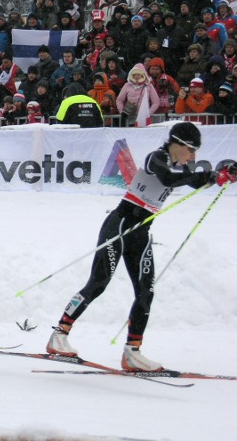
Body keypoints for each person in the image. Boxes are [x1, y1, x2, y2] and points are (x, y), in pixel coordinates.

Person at [46, 123, 236, 371]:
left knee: (146, 291)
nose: (193, 156)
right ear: (176, 143)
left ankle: (132, 352)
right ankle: (59, 334)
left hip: (141, 233)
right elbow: (168, 178)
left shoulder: (182, 167)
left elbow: (189, 180)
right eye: (191, 150)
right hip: (119, 225)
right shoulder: (156, 158)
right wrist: (208, 175)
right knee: (99, 283)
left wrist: (223, 173)